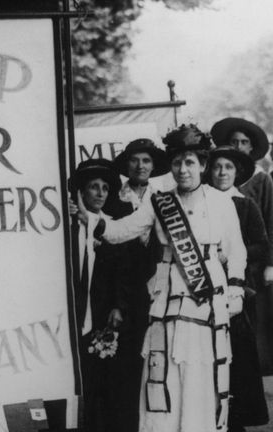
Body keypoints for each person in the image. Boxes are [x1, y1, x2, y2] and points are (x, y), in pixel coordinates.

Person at [74, 124, 246, 432]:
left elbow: (236, 252)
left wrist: (236, 291)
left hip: (207, 301)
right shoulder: (160, 202)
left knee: (201, 373)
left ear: (203, 166)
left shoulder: (222, 203)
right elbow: (119, 231)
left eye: (190, 162)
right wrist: (91, 218)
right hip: (166, 301)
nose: (183, 169)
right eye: (178, 162)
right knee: (163, 372)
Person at [206, 145, 269, 432]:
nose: (221, 173)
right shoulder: (200, 201)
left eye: (228, 168)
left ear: (237, 172)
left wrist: (231, 255)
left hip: (237, 288)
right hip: (203, 287)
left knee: (238, 356)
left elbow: (261, 245)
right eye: (217, 167)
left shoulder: (244, 204)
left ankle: (238, 419)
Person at [109, 138, 170, 431]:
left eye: (146, 161)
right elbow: (110, 258)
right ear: (127, 164)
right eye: (135, 160)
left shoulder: (164, 198)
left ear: (153, 165)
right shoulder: (115, 200)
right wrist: (115, 303)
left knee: (157, 357)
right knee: (127, 360)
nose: (141, 166)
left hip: (158, 288)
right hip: (126, 291)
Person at [69, 159, 133, 432]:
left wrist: (118, 306)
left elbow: (123, 272)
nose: (100, 193)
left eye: (105, 188)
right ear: (81, 193)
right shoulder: (67, 226)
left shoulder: (112, 227)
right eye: (93, 187)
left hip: (100, 310)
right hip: (74, 309)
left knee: (101, 377)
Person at [212, 117, 273, 374]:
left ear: (251, 148)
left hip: (253, 262)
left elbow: (270, 221)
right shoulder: (217, 183)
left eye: (244, 142)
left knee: (254, 317)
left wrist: (270, 264)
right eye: (234, 141)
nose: (238, 145)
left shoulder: (260, 181)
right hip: (219, 262)